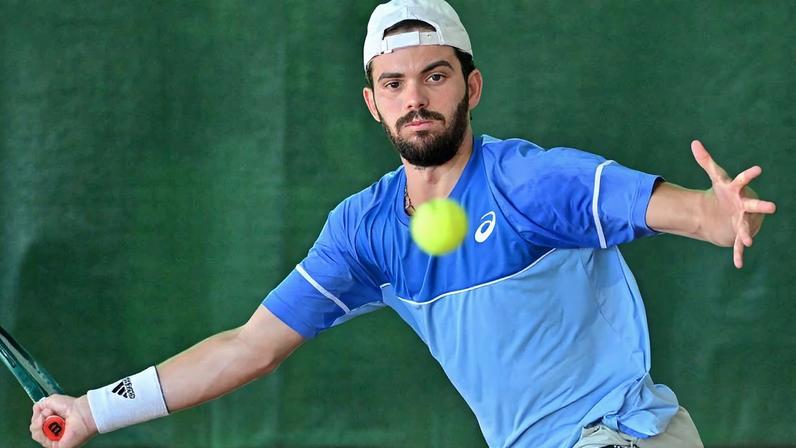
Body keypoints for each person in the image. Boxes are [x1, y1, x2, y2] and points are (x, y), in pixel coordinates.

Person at [30, 1, 776, 447]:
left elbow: (669, 208)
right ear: (374, 103)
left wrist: (712, 216)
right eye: (394, 83)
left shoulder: (529, 182)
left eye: (435, 76)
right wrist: (93, 412)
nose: (415, 98)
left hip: (622, 435)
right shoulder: (366, 232)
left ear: (471, 87)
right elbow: (247, 348)